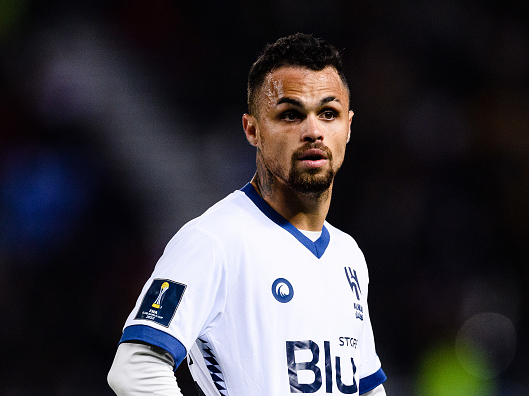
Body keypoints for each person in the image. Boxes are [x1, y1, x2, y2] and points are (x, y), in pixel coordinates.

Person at [108, 33, 388, 395]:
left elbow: (365, 387)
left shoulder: (348, 255)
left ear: (348, 127)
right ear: (252, 129)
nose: (313, 131)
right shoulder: (213, 242)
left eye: (328, 113)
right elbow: (136, 368)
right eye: (290, 115)